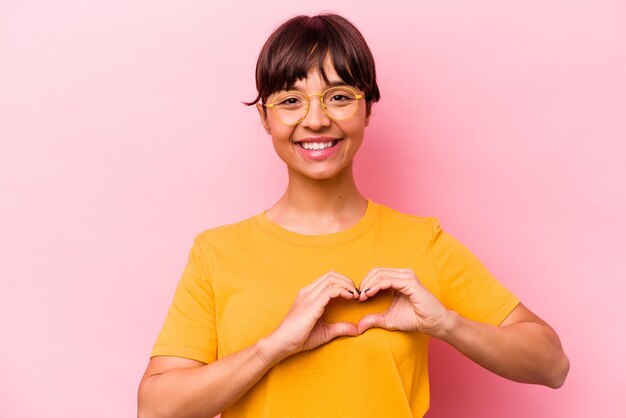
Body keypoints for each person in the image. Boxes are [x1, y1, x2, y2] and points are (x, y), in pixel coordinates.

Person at [137, 13, 569, 418]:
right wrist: (273, 347)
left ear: (367, 108)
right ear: (266, 118)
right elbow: (154, 408)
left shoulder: (421, 241)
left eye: (339, 96)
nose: (316, 119)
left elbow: (553, 366)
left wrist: (447, 324)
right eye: (291, 100)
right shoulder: (217, 253)